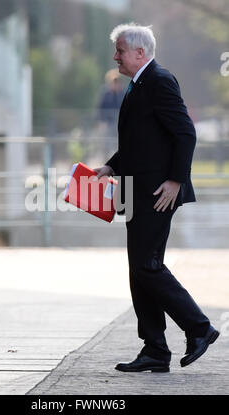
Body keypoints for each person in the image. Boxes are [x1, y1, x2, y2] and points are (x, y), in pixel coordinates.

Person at [94, 23, 219, 373]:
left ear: (139, 53)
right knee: (140, 269)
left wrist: (176, 181)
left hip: (157, 193)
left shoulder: (160, 80)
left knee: (147, 266)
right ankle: (155, 349)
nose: (115, 57)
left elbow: (185, 133)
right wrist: (110, 166)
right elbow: (142, 141)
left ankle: (198, 327)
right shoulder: (139, 83)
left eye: (119, 50)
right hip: (138, 190)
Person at [97, 69, 125, 157]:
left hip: (119, 123)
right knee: (106, 144)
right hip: (108, 123)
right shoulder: (106, 94)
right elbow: (100, 108)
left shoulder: (123, 94)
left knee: (118, 144)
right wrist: (101, 122)